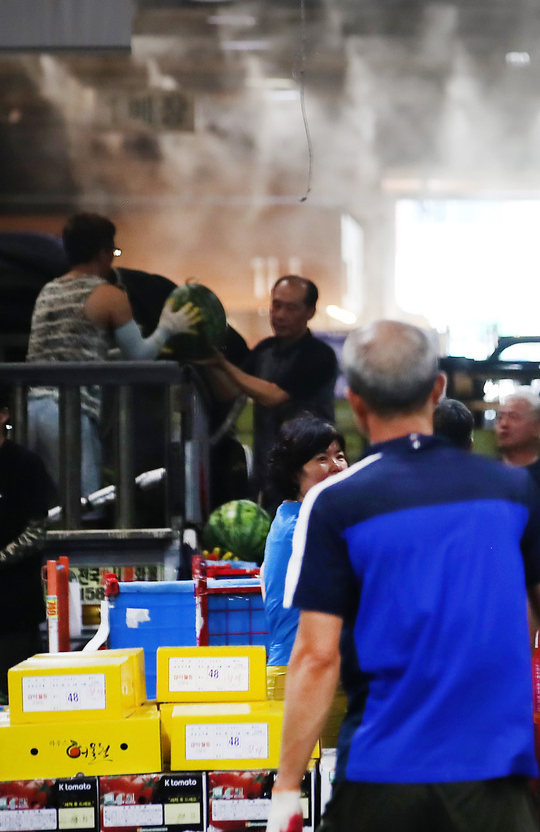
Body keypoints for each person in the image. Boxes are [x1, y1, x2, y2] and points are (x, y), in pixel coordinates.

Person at [266, 320, 540, 832]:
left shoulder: (335, 503)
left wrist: (286, 789)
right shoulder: (512, 491)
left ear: (357, 404)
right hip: (492, 780)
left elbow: (316, 657)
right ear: (436, 391)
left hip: (381, 780)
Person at [25, 213, 199, 495]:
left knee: (42, 509)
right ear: (104, 253)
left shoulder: (49, 290)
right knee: (81, 509)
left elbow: (66, 345)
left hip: (30, 410)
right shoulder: (108, 295)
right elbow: (140, 357)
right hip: (67, 413)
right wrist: (167, 327)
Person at [202, 276, 338, 499]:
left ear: (310, 312)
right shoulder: (264, 350)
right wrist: (206, 361)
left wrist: (222, 363)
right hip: (268, 477)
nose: (281, 315)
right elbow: (228, 391)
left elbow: (272, 395)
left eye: (291, 308)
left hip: (311, 479)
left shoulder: (319, 355)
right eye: (277, 305)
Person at [260, 415, 347, 666]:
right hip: (305, 673)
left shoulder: (292, 517)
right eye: (322, 458)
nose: (336, 466)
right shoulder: (303, 530)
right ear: (293, 473)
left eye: (339, 456)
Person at [0, 385, 57, 701]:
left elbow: (36, 534)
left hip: (14, 607)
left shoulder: (25, 465)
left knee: (16, 700)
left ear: (4, 415)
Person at [494, 390, 540, 494]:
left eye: (513, 417)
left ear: (538, 426)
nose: (503, 424)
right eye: (500, 417)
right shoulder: (482, 475)